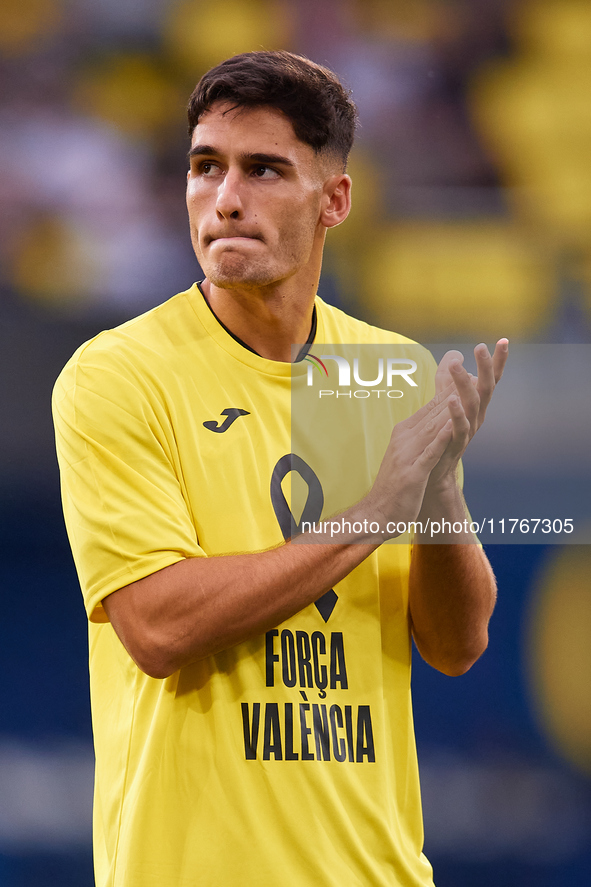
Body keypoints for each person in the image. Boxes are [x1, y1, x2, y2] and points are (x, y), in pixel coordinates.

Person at [53, 51, 507, 887]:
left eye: (263, 170)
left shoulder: (384, 371)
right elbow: (156, 628)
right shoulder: (119, 373)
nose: (225, 199)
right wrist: (376, 508)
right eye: (204, 168)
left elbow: (455, 642)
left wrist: (436, 484)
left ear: (333, 199)